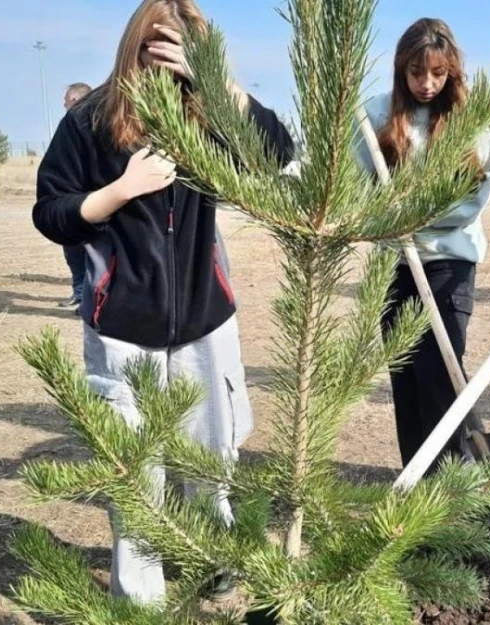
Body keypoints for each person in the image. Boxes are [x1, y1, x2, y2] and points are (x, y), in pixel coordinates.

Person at [32, 0, 294, 604]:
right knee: (137, 477)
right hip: (124, 327)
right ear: (138, 45)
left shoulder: (208, 115)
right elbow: (51, 212)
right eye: (162, 45)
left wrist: (219, 83)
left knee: (211, 461)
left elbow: (276, 153)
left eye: (188, 47)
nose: (171, 61)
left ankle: (217, 562)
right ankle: (140, 600)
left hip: (207, 321)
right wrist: (120, 191)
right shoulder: (93, 118)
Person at [354, 17, 490, 470]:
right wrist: (382, 219)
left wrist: (413, 217)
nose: (427, 84)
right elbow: (358, 188)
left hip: (448, 267)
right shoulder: (375, 116)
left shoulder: (469, 126)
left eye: (438, 74)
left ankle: (450, 481)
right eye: (417, 73)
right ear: (402, 70)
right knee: (406, 375)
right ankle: (415, 474)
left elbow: (471, 202)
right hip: (394, 265)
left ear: (452, 72)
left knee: (440, 375)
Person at [57, 82, 93, 313]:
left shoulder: (96, 126)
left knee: (91, 252)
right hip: (69, 200)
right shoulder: (67, 127)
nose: (64, 105)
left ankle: (90, 299)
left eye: (68, 101)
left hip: (90, 202)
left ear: (79, 101)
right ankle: (79, 293)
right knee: (72, 250)